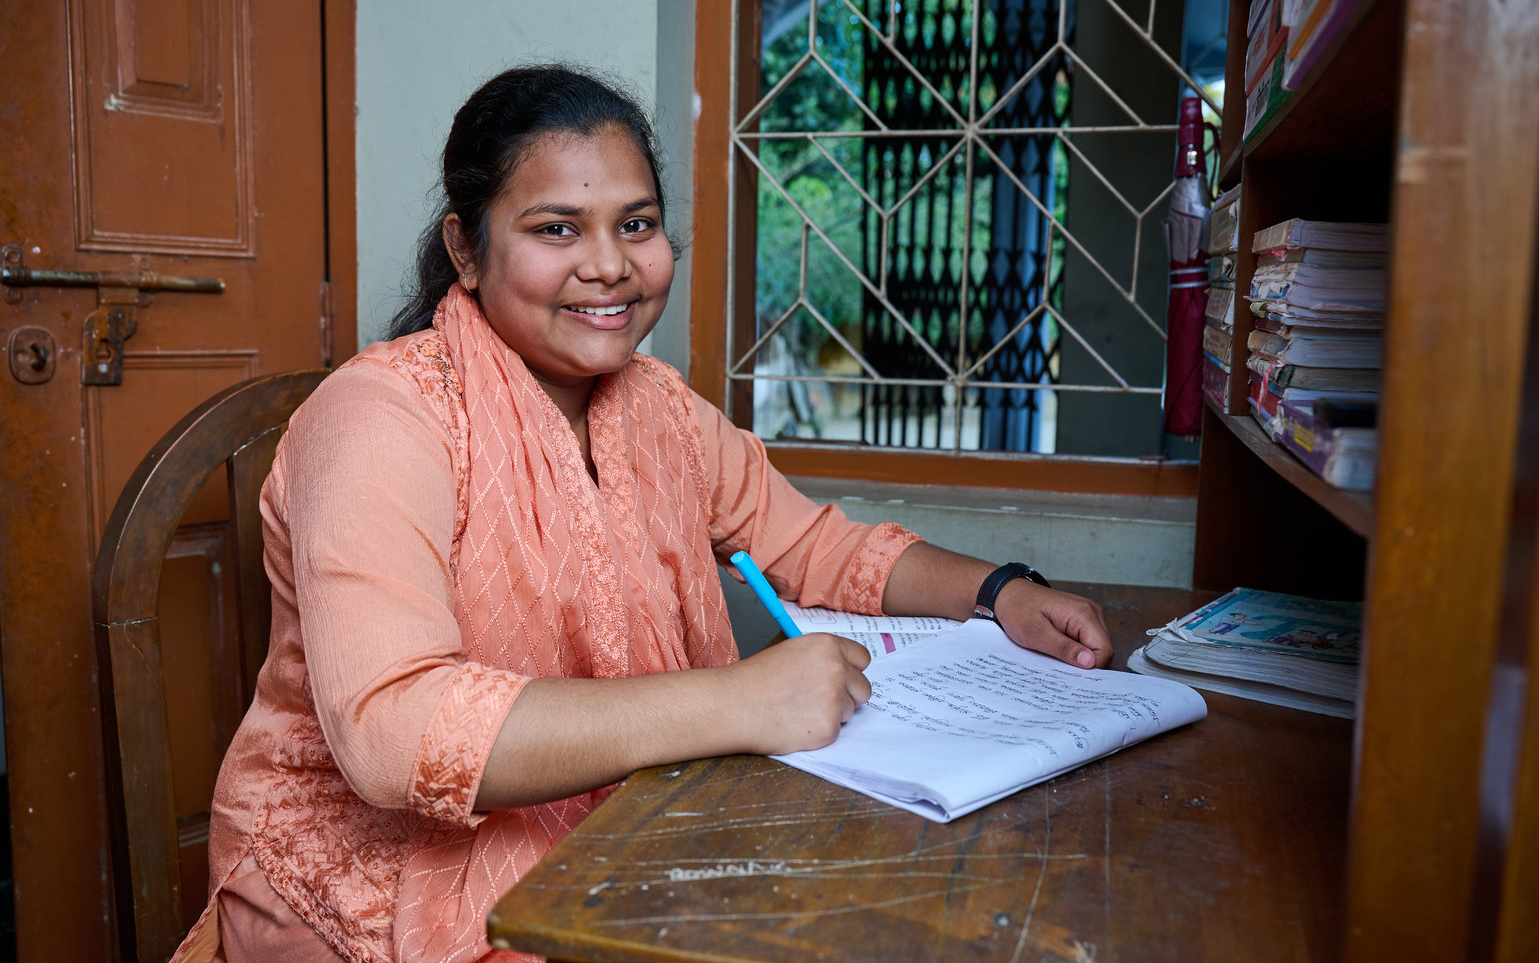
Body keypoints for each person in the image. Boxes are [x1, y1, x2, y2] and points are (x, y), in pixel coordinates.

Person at [175, 63, 1111, 963]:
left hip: (615, 828)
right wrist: (738, 701)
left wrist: (997, 592)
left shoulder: (655, 406)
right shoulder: (383, 415)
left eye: (636, 224)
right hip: (368, 889)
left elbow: (812, 544)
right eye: (556, 229)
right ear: (465, 248)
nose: (610, 267)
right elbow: (396, 732)